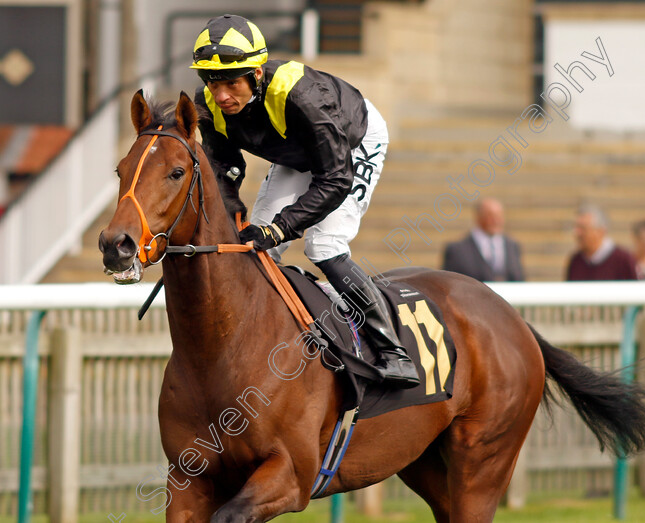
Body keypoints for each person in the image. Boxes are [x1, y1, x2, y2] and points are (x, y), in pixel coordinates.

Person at [190, 14, 419, 388]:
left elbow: (336, 177)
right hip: (296, 153)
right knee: (252, 250)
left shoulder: (302, 96)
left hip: (351, 145)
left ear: (258, 74)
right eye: (212, 84)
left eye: (232, 83)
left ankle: (394, 352)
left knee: (323, 245)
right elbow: (226, 168)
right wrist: (235, 217)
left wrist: (280, 227)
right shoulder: (210, 104)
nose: (222, 96)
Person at [442, 197, 525, 282]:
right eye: (490, 216)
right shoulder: (457, 250)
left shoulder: (512, 246)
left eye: (499, 216)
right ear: (478, 217)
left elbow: (519, 279)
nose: (496, 221)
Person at [565, 204, 637, 281]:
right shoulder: (576, 261)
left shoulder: (623, 260)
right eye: (576, 228)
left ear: (600, 231)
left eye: (583, 228)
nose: (577, 233)